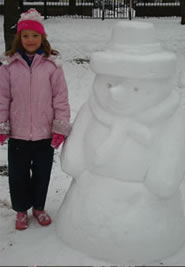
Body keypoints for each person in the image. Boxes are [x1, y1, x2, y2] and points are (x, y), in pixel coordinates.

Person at [0, 9, 71, 230]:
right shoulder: (9, 66)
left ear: (42, 38)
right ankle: (21, 210)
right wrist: (2, 125)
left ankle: (38, 207)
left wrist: (60, 127)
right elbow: (2, 98)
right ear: (19, 39)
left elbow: (61, 98)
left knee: (42, 174)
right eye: (25, 35)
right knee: (17, 175)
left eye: (35, 35)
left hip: (44, 133)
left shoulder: (52, 66)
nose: (30, 40)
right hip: (18, 134)